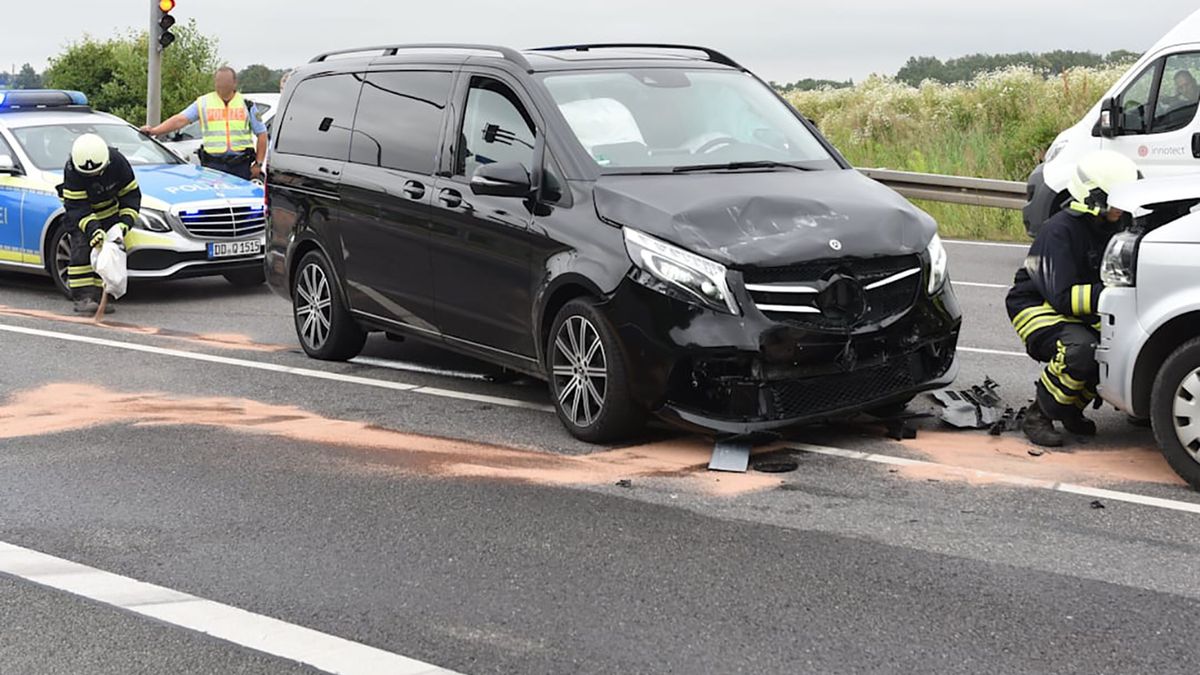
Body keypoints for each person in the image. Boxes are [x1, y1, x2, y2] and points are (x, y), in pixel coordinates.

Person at [1006, 150, 1140, 447]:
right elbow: (1064, 297)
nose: (1122, 206)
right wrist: (1117, 294)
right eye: (1116, 199)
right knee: (1080, 349)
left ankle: (1069, 409)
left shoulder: (1114, 225)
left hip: (1077, 307)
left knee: (1115, 349)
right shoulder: (1058, 231)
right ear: (1094, 196)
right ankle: (1038, 415)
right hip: (1035, 305)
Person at [59, 134, 140, 314]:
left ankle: (100, 296)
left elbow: (131, 196)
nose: (93, 176)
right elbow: (77, 207)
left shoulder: (118, 163)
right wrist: (93, 230)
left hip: (110, 214)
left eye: (97, 172)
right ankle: (82, 298)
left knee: (107, 258)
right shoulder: (72, 170)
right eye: (88, 175)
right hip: (82, 216)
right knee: (82, 251)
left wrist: (124, 223)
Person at [141, 66, 267, 180]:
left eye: (226, 82)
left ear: (234, 83)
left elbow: (262, 134)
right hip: (213, 165)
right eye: (219, 82)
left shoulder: (247, 104)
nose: (222, 86)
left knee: (239, 197)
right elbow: (180, 120)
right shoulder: (203, 103)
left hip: (240, 165)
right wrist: (154, 131)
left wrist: (258, 163)